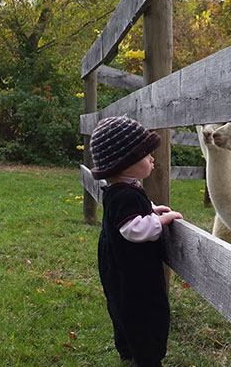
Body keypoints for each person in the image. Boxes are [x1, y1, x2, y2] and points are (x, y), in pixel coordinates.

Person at [90, 116, 183, 366]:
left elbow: (133, 212)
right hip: (133, 271)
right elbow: (134, 229)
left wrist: (151, 210)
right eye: (146, 155)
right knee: (142, 312)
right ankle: (146, 357)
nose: (152, 158)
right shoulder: (123, 195)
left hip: (119, 264)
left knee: (122, 306)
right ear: (124, 163)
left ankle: (128, 350)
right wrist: (161, 221)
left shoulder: (122, 188)